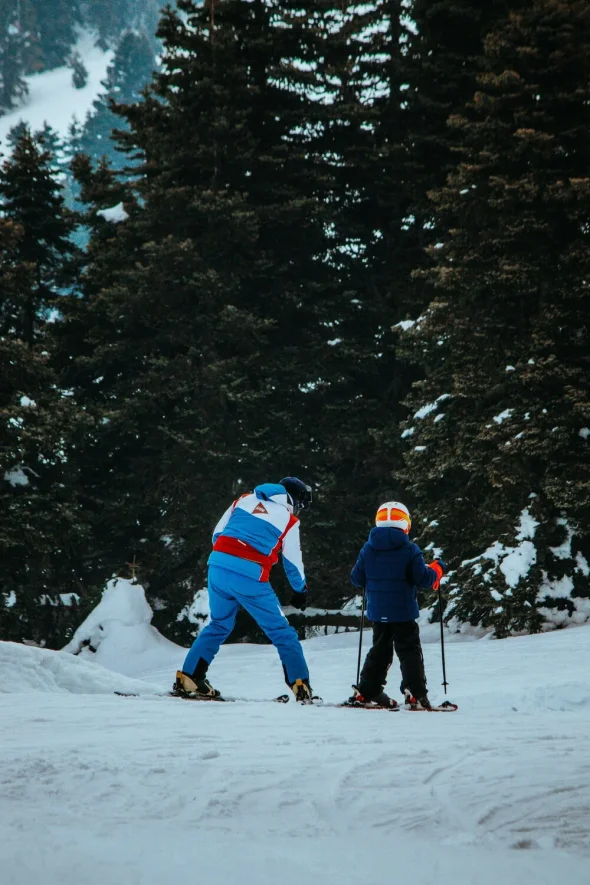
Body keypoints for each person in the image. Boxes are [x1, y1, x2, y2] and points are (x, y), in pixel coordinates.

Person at [174, 477, 315, 702]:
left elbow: (217, 533)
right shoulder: (289, 521)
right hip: (250, 576)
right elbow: (292, 562)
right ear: (294, 500)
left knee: (219, 624)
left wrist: (228, 558)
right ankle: (301, 685)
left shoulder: (244, 499)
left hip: (218, 567)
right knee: (282, 631)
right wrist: (300, 591)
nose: (297, 511)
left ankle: (190, 677)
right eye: (298, 506)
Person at [348, 501, 446, 710]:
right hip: (403, 612)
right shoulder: (410, 549)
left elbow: (357, 579)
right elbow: (423, 579)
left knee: (380, 651)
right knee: (409, 651)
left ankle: (367, 690)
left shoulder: (368, 548)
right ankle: (415, 693)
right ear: (405, 523)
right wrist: (437, 569)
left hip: (378, 612)